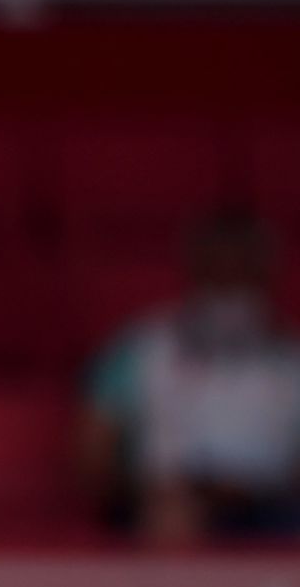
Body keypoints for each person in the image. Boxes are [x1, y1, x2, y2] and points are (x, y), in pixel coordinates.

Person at [81, 209, 300, 544]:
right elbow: (91, 454)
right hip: (161, 509)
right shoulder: (139, 348)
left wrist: (248, 491)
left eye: (242, 271)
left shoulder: (293, 358)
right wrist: (150, 494)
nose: (229, 284)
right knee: (166, 524)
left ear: (267, 274)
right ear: (193, 271)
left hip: (272, 514)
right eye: (215, 271)